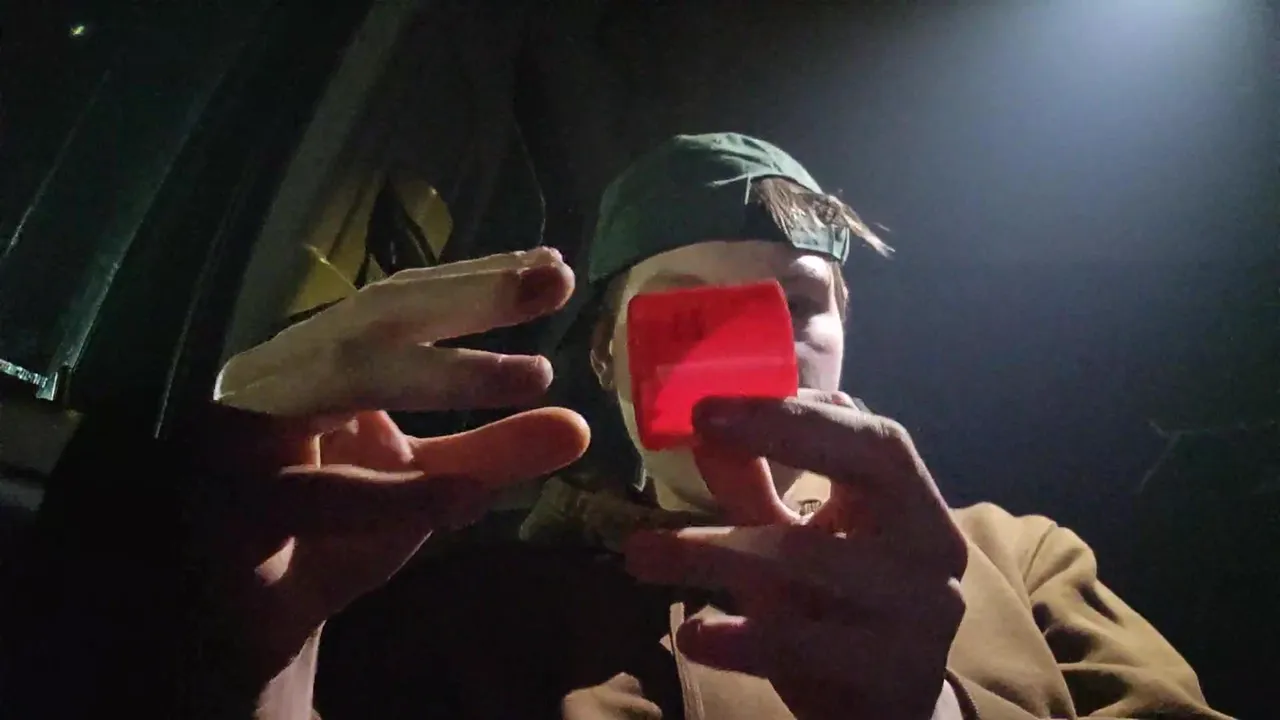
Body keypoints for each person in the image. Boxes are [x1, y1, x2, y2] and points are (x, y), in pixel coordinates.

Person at [210, 134, 1230, 719]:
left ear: (847, 333)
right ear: (607, 358)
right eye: (684, 311)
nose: (755, 348)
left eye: (797, 303)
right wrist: (260, 654)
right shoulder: (471, 600)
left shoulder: (1018, 557)